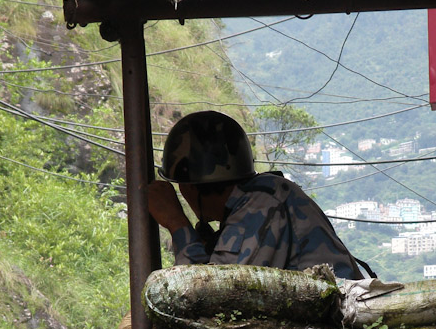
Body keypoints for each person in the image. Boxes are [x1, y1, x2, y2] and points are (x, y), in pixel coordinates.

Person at [147, 110, 366, 280]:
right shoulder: (259, 198)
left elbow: (209, 296)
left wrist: (177, 224)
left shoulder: (261, 205)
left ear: (191, 187)